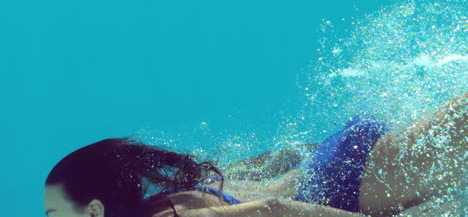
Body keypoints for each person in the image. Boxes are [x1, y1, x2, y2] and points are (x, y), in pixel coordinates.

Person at [44, 92, 467, 217]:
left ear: (94, 212)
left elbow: (274, 209)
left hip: (350, 186)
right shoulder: (158, 203)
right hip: (331, 163)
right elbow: (265, 167)